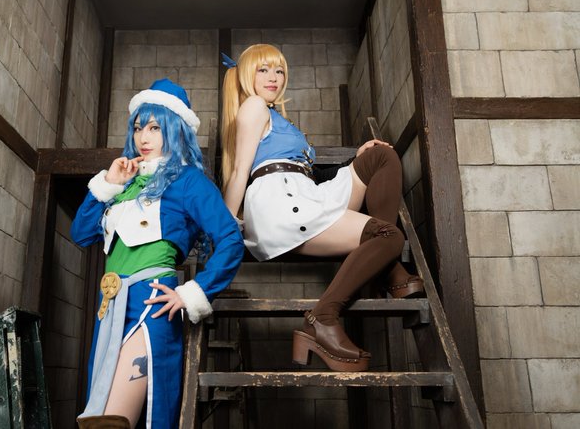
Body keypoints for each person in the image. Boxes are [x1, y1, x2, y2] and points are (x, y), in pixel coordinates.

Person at [220, 44, 423, 373]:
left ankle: (385, 267)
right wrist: (225, 225)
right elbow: (240, 170)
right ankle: (324, 317)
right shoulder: (254, 106)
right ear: (246, 75)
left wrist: (355, 160)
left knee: (380, 157)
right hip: (281, 203)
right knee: (389, 236)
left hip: (305, 193)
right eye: (263, 70)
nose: (274, 77)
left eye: (279, 70)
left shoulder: (275, 117)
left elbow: (308, 176)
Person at [71, 79, 244, 429]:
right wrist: (110, 183)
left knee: (110, 421)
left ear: (175, 129)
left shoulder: (188, 181)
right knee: (98, 414)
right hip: (110, 306)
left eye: (154, 128)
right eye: (138, 128)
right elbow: (81, 233)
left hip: (151, 302)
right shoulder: (126, 183)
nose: (143, 137)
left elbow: (231, 239)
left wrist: (192, 293)